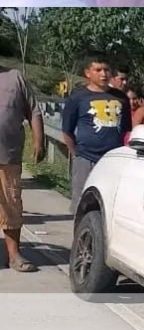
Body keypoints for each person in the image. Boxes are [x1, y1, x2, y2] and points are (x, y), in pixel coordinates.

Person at [62, 52, 131, 214]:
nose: (103, 74)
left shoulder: (121, 98)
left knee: (108, 204)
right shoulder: (78, 97)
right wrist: (77, 154)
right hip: (86, 158)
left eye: (106, 70)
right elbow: (67, 131)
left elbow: (127, 130)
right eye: (98, 70)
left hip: (112, 160)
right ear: (88, 73)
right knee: (82, 204)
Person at [0, 65, 45, 272]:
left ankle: (14, 255)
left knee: (12, 204)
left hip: (8, 155)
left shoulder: (15, 77)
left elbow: (33, 110)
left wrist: (39, 140)